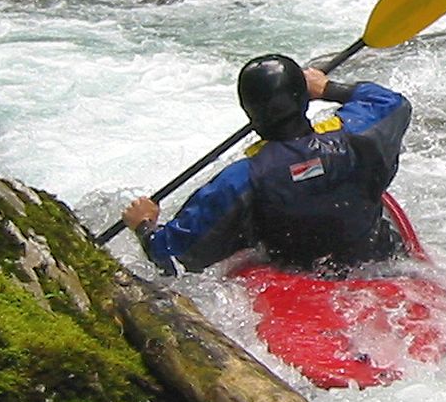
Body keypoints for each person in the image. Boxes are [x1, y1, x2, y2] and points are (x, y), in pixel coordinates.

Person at [121, 54, 412, 276]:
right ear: (304, 99)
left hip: (303, 275)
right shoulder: (356, 136)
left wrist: (145, 226)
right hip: (379, 259)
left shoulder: (241, 179)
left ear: (249, 112)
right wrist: (326, 87)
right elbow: (393, 103)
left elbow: (173, 253)